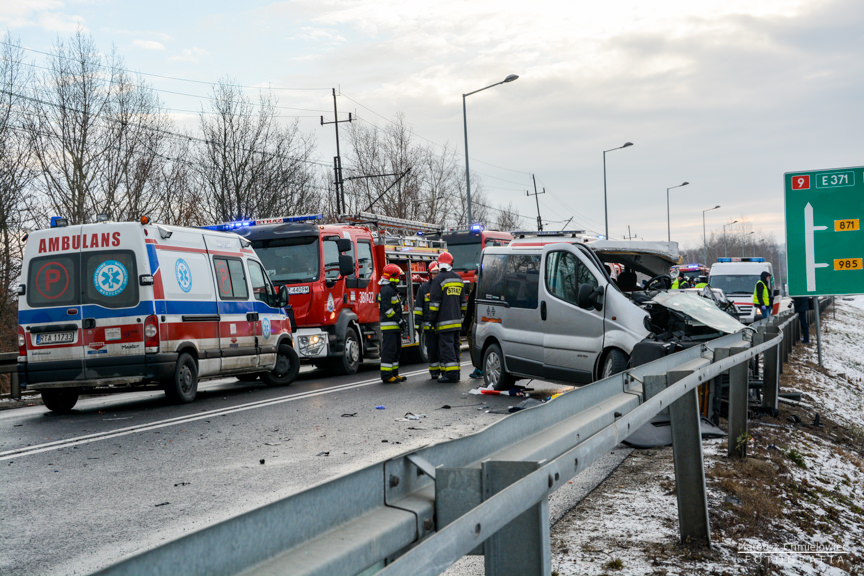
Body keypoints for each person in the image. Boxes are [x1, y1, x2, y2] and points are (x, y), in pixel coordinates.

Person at [429, 251, 466, 383]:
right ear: (452, 263)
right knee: (455, 347)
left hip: (443, 322)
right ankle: (456, 373)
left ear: (439, 264)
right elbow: (463, 303)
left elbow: (434, 305)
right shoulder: (458, 278)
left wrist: (431, 321)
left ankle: (451, 375)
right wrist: (462, 319)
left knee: (447, 348)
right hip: (457, 321)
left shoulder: (438, 279)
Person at [378, 263, 407, 383]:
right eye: (398, 276)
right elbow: (388, 309)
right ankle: (386, 375)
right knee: (389, 351)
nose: (400, 278)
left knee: (396, 350)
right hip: (389, 326)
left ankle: (394, 373)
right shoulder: (386, 290)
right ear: (393, 276)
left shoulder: (391, 289)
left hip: (394, 327)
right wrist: (399, 320)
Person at [415, 261, 440, 378]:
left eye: (438, 273)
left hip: (441, 324)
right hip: (428, 325)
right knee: (432, 349)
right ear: (430, 274)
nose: (436, 275)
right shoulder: (424, 288)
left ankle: (445, 370)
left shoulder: (443, 286)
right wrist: (417, 325)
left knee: (443, 348)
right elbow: (419, 307)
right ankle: (434, 372)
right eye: (434, 273)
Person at [463, 275, 483, 379]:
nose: (475, 277)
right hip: (473, 320)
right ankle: (478, 367)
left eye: (477, 275)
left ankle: (479, 368)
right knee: (472, 342)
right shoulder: (473, 288)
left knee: (474, 342)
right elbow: (469, 307)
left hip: (479, 321)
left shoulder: (482, 288)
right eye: (475, 275)